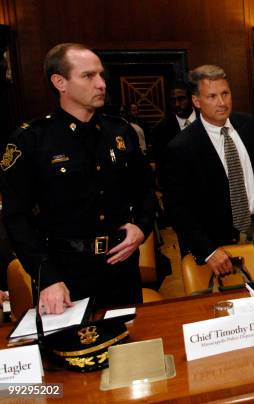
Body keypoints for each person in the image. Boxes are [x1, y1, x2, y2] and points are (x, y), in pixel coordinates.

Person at [0, 43, 156, 314]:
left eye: (101, 75)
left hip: (120, 266)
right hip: (64, 273)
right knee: (71, 353)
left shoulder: (120, 132)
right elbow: (16, 218)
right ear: (60, 82)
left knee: (130, 349)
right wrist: (46, 277)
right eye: (88, 76)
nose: (101, 84)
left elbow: (145, 190)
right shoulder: (32, 140)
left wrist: (142, 227)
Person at [161, 65, 254, 276]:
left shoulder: (248, 124)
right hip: (217, 246)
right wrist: (208, 250)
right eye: (212, 96)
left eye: (225, 93)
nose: (222, 102)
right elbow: (178, 209)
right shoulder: (181, 147)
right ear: (196, 101)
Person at [150, 83, 197, 166]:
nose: (177, 104)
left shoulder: (208, 119)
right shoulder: (161, 129)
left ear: (192, 98)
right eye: (172, 100)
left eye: (181, 99)